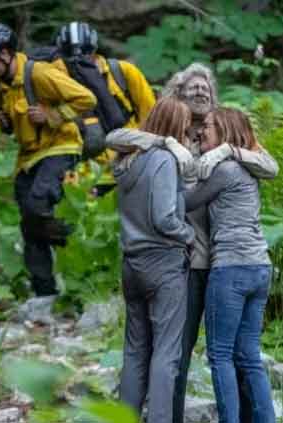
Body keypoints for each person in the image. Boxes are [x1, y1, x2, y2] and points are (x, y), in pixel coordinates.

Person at [105, 62, 278, 423]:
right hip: (182, 261)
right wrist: (168, 142)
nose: (201, 93)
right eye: (192, 88)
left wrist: (227, 152)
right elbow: (115, 139)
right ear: (177, 97)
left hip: (219, 262)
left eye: (206, 89)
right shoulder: (170, 137)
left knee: (227, 353)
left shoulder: (221, 133)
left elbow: (270, 166)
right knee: (177, 352)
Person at [0, 22, 97, 297]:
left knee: (37, 203)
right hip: (27, 158)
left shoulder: (39, 73)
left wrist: (52, 115)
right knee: (29, 225)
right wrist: (3, 122)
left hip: (60, 147)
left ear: (4, 53)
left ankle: (78, 241)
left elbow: (86, 98)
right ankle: (44, 292)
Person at [185, 108, 275, 423]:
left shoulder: (224, 170)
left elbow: (187, 202)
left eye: (207, 126)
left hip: (231, 269)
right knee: (249, 356)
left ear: (224, 130)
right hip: (260, 267)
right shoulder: (249, 167)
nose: (200, 132)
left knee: (220, 355)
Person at [114, 97, 195, 423]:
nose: (189, 131)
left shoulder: (127, 161)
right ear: (176, 126)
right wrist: (189, 235)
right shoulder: (163, 159)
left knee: (135, 351)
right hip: (163, 264)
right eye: (186, 126)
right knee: (167, 352)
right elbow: (164, 218)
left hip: (131, 263)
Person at [54, 21, 155, 196]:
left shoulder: (123, 72)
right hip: (83, 177)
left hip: (131, 165)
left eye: (86, 54)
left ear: (95, 50)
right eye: (70, 58)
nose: (79, 62)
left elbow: (154, 118)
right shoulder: (55, 83)